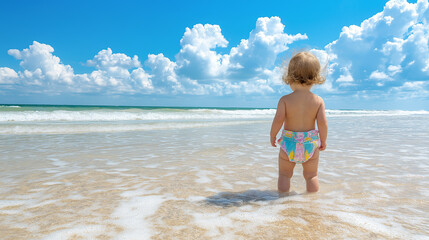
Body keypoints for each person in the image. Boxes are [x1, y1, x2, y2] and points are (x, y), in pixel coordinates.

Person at [270, 51, 328, 193]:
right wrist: (323, 141)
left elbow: (278, 120)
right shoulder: (318, 101)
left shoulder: (285, 100)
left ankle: (282, 200)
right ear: (315, 78)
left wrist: (272, 136)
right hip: (310, 143)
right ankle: (312, 202)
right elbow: (322, 123)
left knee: (284, 175)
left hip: (288, 143)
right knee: (311, 176)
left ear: (290, 76)